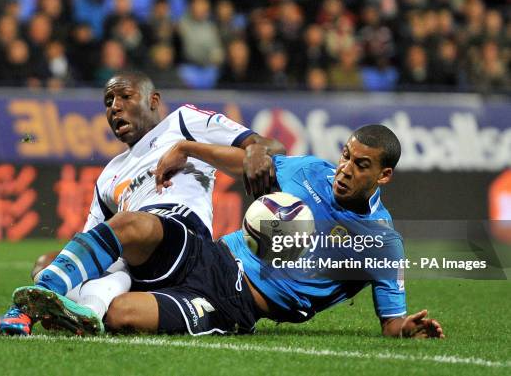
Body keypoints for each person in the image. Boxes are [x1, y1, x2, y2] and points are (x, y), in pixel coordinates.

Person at [29, 124, 444, 338]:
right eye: (346, 156)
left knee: (120, 315)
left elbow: (392, 321)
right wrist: (189, 149)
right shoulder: (312, 171)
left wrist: (408, 328)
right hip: (210, 255)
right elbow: (247, 163)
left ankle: (70, 299)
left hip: (234, 304)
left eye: (361, 165)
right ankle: (43, 296)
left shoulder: (380, 243)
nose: (345, 170)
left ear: (384, 175)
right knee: (127, 228)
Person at [0, 70, 284, 335]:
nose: (114, 107)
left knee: (127, 224)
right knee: (48, 262)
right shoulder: (109, 174)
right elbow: (91, 240)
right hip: (140, 262)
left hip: (184, 242)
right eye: (108, 101)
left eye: (125, 96)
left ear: (153, 101)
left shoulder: (183, 122)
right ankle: (85, 312)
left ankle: (26, 308)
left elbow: (271, 148)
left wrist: (254, 149)